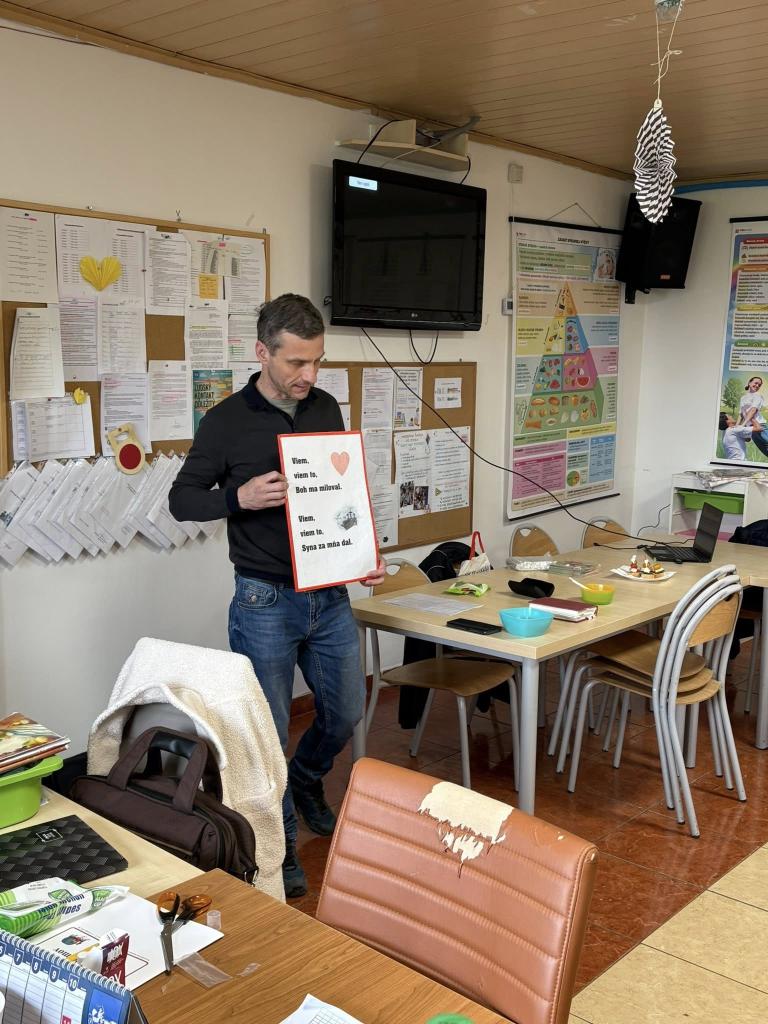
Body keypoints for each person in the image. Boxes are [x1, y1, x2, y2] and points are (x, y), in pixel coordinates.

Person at [168, 293, 385, 899]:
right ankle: (280, 848)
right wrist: (237, 498)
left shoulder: (325, 407)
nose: (308, 375)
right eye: (296, 363)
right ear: (262, 352)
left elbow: (340, 494)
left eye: (316, 361)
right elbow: (182, 500)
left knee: (345, 710)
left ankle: (308, 777)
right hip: (264, 599)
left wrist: (362, 552)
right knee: (267, 734)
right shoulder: (225, 421)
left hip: (329, 592)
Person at [738, 376, 768, 457]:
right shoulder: (743, 398)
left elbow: (753, 410)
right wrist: (737, 426)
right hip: (751, 430)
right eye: (756, 383)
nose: (757, 385)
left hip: (760, 426)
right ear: (749, 383)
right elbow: (741, 414)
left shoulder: (758, 395)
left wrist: (743, 425)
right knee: (766, 451)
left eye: (759, 385)